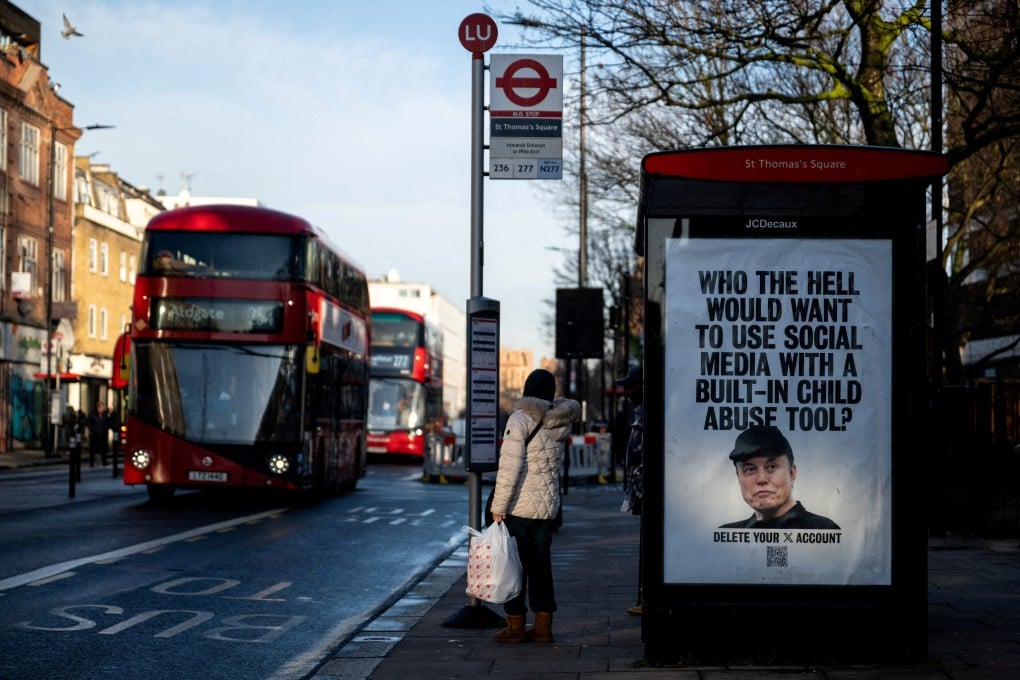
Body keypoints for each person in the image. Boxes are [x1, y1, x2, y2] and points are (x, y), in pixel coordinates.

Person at [489, 368, 580, 644]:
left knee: (514, 568)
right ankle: (543, 627)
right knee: (541, 568)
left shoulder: (520, 418)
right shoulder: (561, 421)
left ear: (527, 390)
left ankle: (515, 626)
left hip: (519, 508)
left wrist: (498, 505)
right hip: (546, 509)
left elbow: (509, 467)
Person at [719, 425, 840, 530]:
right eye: (750, 469)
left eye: (771, 467)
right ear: (738, 477)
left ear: (792, 474)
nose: (761, 479)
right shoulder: (726, 534)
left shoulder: (824, 530)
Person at [87, 401, 112, 467]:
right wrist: (93, 430)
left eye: (103, 407)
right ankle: (91, 463)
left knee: (103, 449)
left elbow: (108, 422)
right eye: (102, 407)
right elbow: (89, 423)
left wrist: (105, 429)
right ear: (99, 407)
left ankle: (104, 462)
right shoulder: (92, 414)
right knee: (92, 449)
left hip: (102, 434)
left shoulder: (105, 414)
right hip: (94, 434)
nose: (103, 408)